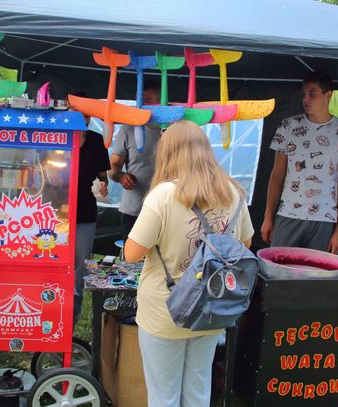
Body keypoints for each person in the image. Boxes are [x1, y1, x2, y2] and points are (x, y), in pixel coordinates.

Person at [124, 121, 254, 407]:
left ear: (168, 152)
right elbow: (245, 244)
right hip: (212, 307)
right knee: (197, 394)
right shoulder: (233, 192)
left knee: (164, 397)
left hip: (165, 309)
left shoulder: (163, 196)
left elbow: (132, 253)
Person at [261, 71, 338, 254]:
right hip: (288, 214)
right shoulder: (288, 127)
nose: (306, 99)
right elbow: (277, 175)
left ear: (328, 95)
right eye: (304, 94)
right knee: (278, 266)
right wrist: (268, 217)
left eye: (312, 94)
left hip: (324, 218)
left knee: (316, 270)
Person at [109, 83, 161, 241]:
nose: (143, 105)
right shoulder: (128, 129)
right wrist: (121, 176)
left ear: (161, 102)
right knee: (132, 255)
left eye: (148, 101)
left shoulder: (172, 131)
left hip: (164, 211)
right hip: (133, 210)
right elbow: (112, 168)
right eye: (141, 101)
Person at [73, 107, 110, 324]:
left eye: (86, 116)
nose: (82, 120)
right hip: (56, 213)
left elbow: (103, 177)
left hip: (85, 212)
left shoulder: (97, 141)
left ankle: (72, 316)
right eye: (77, 114)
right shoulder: (59, 135)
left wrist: (103, 186)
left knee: (80, 267)